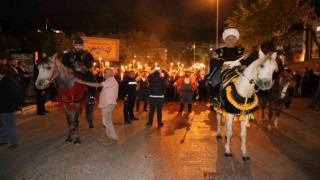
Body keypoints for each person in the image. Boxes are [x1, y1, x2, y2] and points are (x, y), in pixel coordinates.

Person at [205, 27, 254, 100]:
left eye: (233, 38)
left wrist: (245, 65)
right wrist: (221, 66)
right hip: (224, 71)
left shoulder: (243, 51)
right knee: (214, 81)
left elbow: (250, 60)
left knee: (252, 81)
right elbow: (213, 61)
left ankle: (253, 98)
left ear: (236, 40)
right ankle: (215, 99)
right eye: (228, 38)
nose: (230, 40)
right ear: (225, 40)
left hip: (239, 70)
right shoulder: (219, 51)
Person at [62, 37, 97, 129]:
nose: (78, 47)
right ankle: (58, 96)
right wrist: (69, 69)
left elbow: (90, 64)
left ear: (82, 45)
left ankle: (91, 97)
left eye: (80, 45)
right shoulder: (68, 54)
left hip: (83, 72)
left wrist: (82, 68)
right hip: (70, 73)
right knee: (59, 80)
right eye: (76, 45)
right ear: (74, 45)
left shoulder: (87, 54)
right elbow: (64, 64)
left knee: (92, 80)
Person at [75, 68, 119, 140]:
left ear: (111, 74)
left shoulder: (111, 80)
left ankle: (114, 137)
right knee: (107, 120)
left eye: (106, 73)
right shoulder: (109, 80)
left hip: (108, 104)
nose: (104, 74)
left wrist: (82, 82)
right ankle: (110, 136)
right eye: (104, 72)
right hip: (107, 103)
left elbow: (98, 85)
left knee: (106, 121)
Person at [0, 65, 23, 149]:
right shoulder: (3, 79)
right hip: (3, 106)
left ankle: (15, 142)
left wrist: (18, 104)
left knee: (9, 124)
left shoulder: (7, 81)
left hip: (7, 106)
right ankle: (3, 139)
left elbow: (15, 93)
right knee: (3, 123)